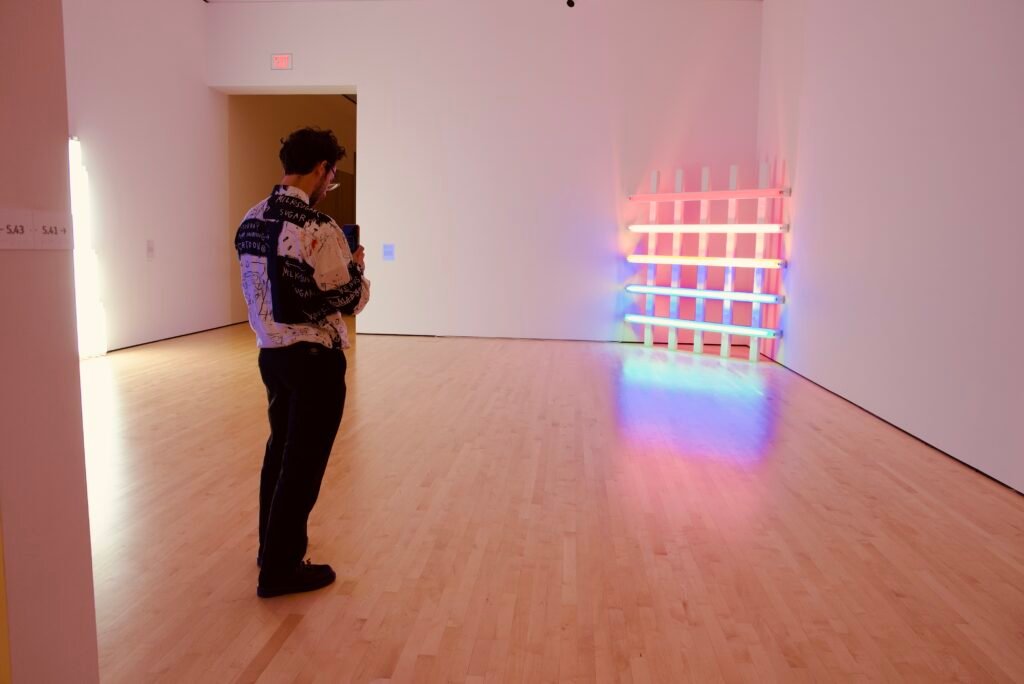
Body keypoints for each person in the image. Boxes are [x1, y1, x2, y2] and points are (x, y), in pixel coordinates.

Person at [234, 127, 370, 598]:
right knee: (303, 466)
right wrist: (356, 267)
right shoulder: (319, 228)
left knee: (280, 453)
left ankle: (270, 548)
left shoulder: (250, 219)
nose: (329, 185)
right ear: (320, 169)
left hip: (271, 355)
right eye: (331, 176)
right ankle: (281, 569)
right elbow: (349, 299)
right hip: (314, 362)